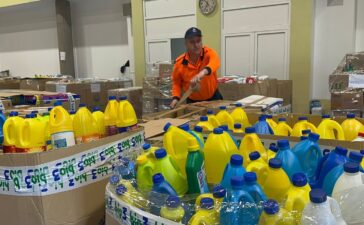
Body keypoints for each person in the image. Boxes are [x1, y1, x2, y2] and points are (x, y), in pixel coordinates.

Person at [170, 27, 223, 109]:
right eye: (192, 42)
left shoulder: (208, 53)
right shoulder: (180, 63)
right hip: (193, 102)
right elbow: (176, 83)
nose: (196, 45)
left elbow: (215, 62)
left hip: (213, 98)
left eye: (198, 41)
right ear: (186, 43)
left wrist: (202, 73)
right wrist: (175, 98)